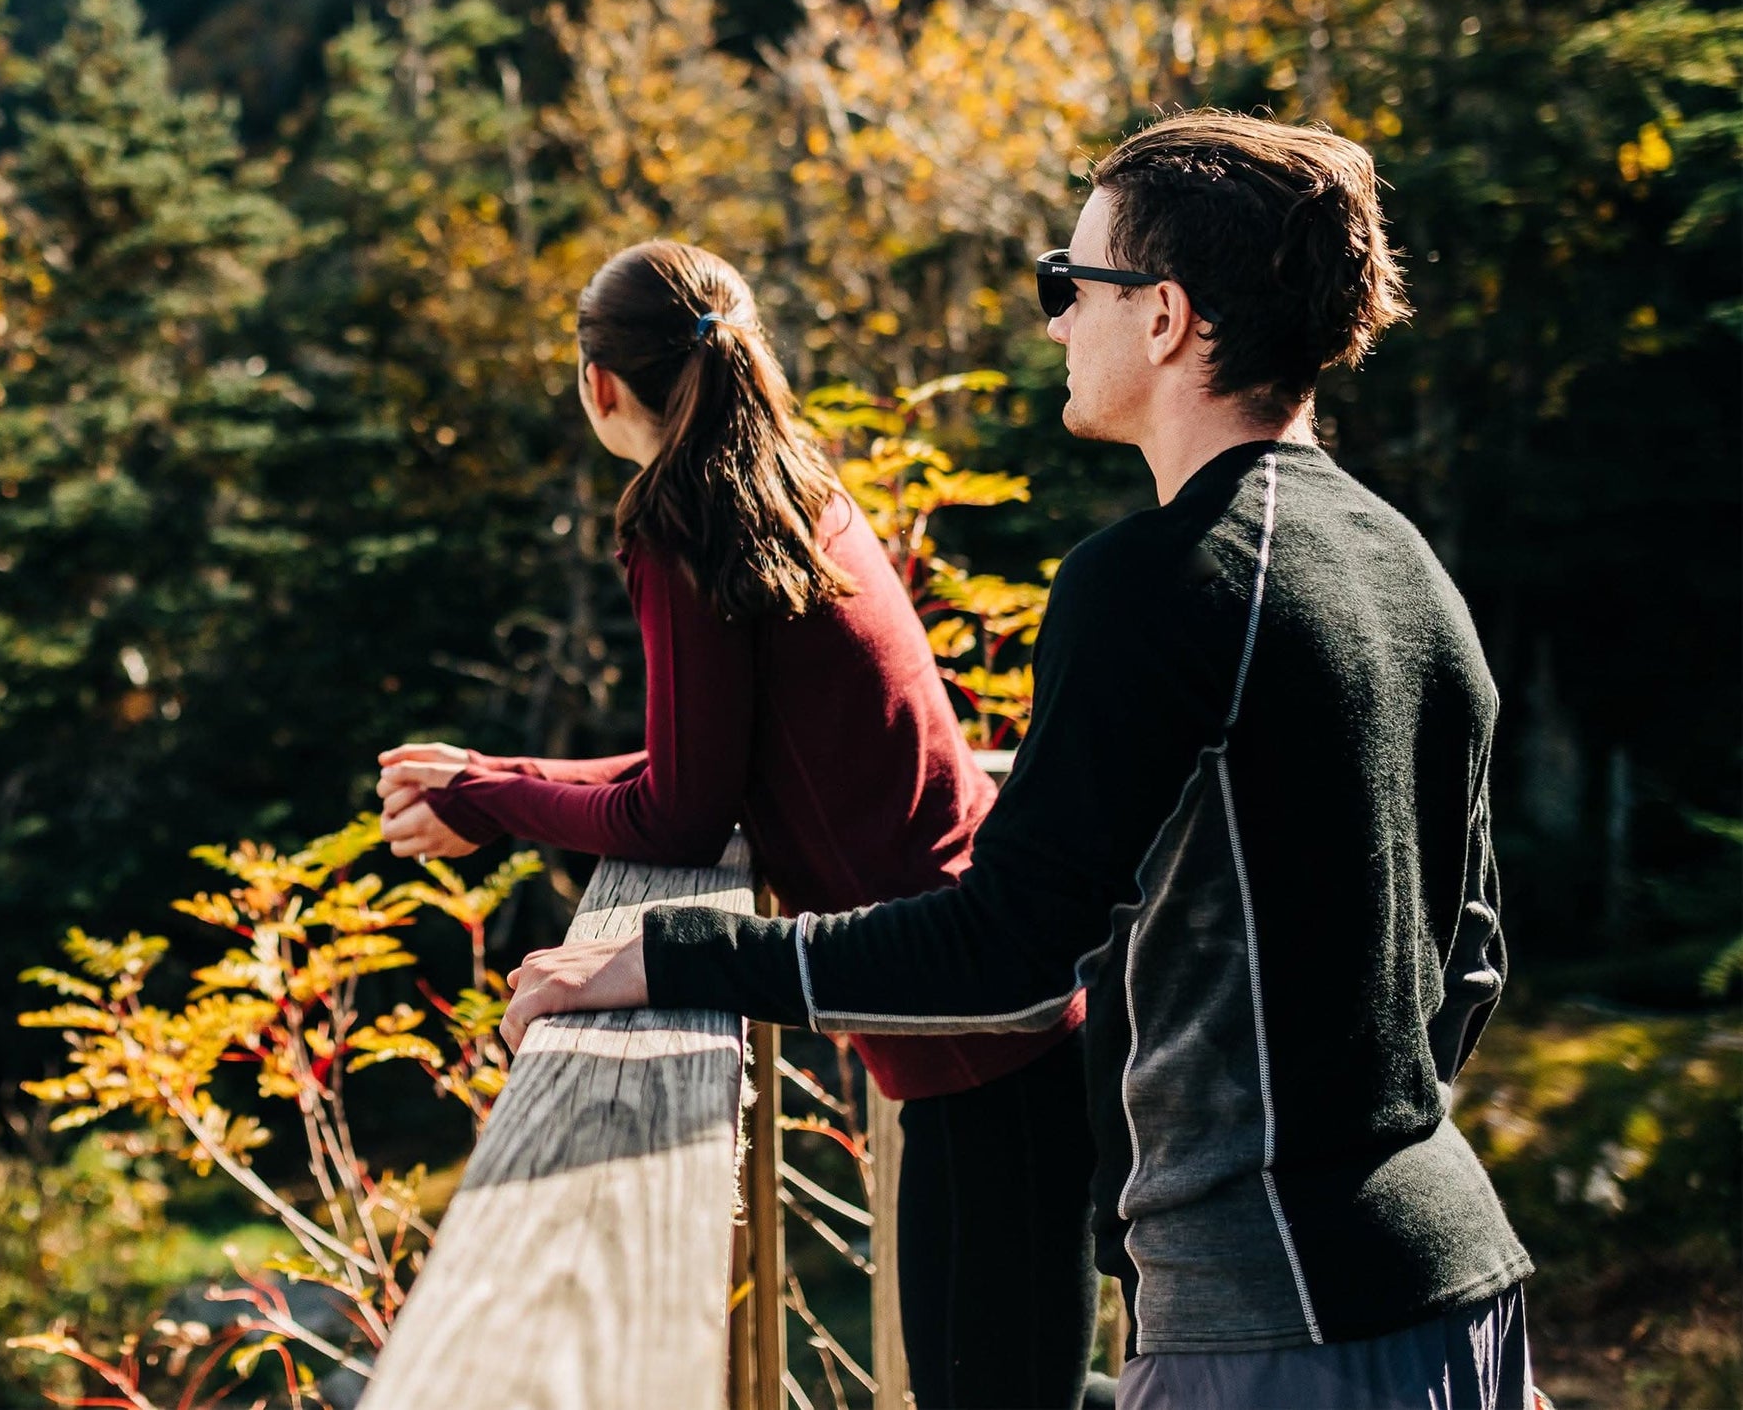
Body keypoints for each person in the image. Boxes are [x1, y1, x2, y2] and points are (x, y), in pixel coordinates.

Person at [500, 115, 1539, 1410]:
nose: (1052, 321)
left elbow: (1004, 951)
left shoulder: (1154, 582)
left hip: (1273, 1317)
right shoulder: (1403, 566)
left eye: (1069, 281)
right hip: (1456, 1289)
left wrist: (672, 957)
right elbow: (1471, 952)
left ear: (1161, 316)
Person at [376, 239, 1099, 1410]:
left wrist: (491, 796)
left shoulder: (687, 526)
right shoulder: (793, 497)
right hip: (990, 1001)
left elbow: (676, 813)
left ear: (599, 384)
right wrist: (487, 781)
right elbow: (709, 763)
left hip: (975, 1036)